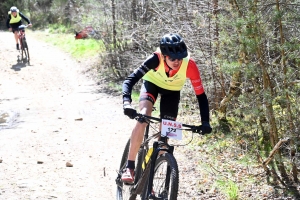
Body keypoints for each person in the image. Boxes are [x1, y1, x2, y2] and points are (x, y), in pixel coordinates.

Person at [121, 33, 212, 184]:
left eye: (180, 58)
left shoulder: (190, 66)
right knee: (144, 117)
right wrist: (127, 103)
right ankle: (129, 167)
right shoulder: (155, 59)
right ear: (164, 56)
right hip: (152, 85)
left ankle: (149, 178)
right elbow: (130, 80)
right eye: (172, 58)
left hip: (172, 92)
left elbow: (201, 96)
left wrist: (205, 122)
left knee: (164, 139)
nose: (177, 62)